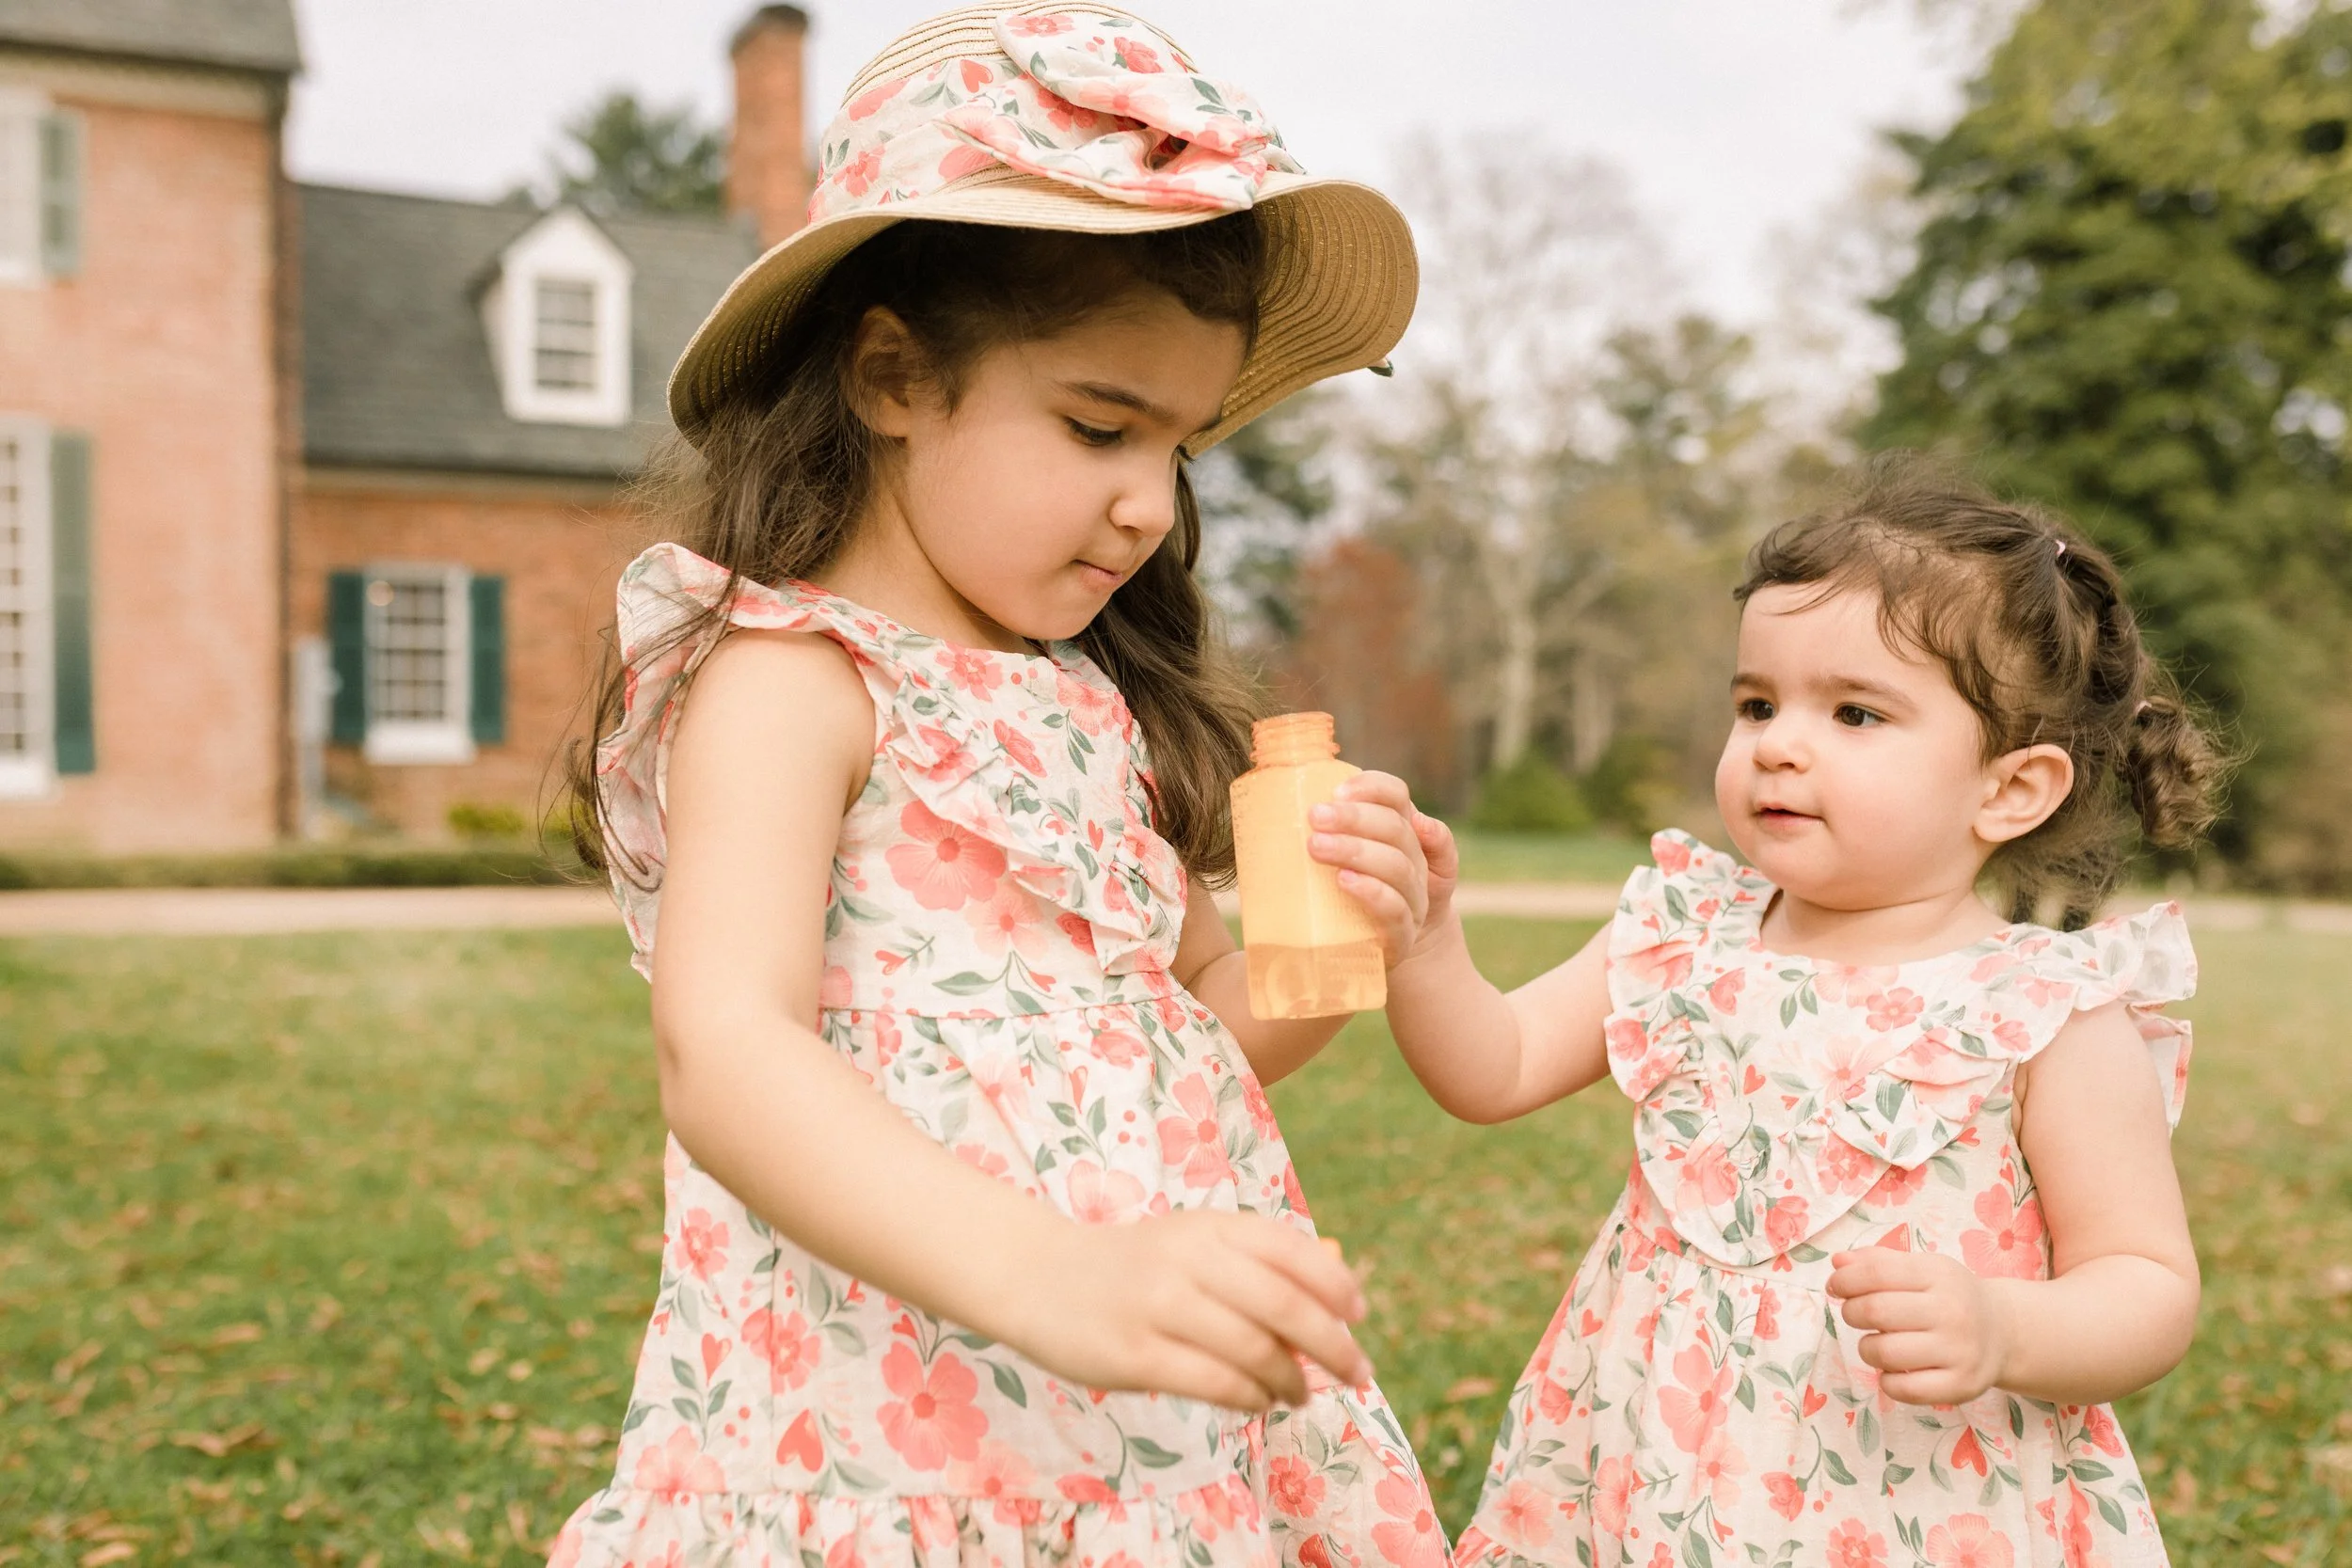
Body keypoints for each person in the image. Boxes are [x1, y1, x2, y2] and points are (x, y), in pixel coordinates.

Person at [547, 7, 1446, 1566]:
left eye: (1178, 449)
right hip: (891, 1403)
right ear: (894, 375)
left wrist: (1341, 944)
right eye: (1101, 425)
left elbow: (1187, 1035)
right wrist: (1049, 1274)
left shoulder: (1092, 706)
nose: (1145, 507)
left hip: (1138, 1404)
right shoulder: (791, 678)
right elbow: (726, 1045)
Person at [1373, 459, 2225, 1566]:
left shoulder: (2045, 1011)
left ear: (2009, 787)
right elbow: (1493, 1067)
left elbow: (2147, 1284)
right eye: (1756, 703)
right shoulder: (1684, 930)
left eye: (1855, 710)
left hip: (1910, 1498)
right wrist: (1427, 941)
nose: (1777, 741)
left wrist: (2004, 1325)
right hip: (1653, 1456)